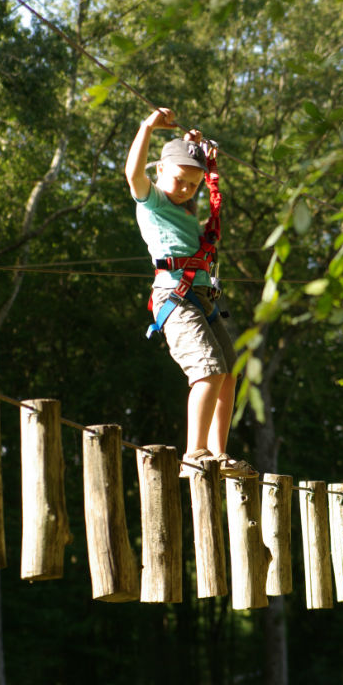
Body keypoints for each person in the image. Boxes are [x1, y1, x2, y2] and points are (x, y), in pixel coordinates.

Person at [125, 107, 252, 473]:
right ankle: (194, 454)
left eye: (192, 185)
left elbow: (198, 184)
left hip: (201, 297)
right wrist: (147, 125)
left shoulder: (185, 207)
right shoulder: (153, 202)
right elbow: (133, 173)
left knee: (229, 372)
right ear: (160, 171)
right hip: (175, 297)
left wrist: (194, 149)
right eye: (179, 180)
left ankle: (217, 452)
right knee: (208, 369)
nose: (184, 190)